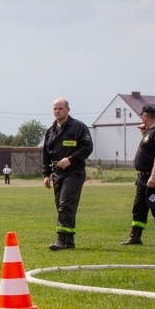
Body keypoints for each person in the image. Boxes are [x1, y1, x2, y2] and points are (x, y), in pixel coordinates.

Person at [41, 98, 93, 250]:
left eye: (60, 108)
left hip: (74, 172)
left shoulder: (78, 127)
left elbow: (87, 147)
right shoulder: (50, 131)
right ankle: (69, 240)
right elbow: (46, 154)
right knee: (61, 205)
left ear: (68, 110)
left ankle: (61, 239)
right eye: (55, 109)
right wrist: (46, 174)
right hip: (57, 173)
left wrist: (71, 159)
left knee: (65, 203)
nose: (57, 111)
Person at [121, 104, 155, 247]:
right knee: (139, 207)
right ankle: (135, 236)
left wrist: (154, 175)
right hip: (143, 177)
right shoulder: (151, 131)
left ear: (145, 116)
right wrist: (144, 135)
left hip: (154, 177)